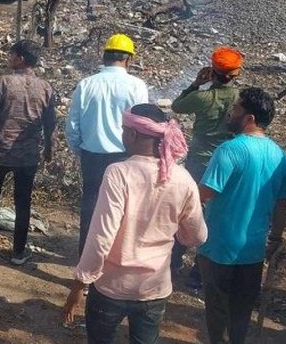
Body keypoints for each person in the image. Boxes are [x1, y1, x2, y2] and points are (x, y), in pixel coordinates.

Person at [62, 104, 207, 343]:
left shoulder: (119, 173)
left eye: (123, 129)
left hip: (112, 287)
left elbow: (101, 236)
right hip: (154, 288)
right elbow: (197, 236)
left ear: (133, 134)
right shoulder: (183, 178)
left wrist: (80, 283)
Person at [197, 87, 286, 344]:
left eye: (236, 109)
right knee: (242, 309)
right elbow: (282, 203)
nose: (231, 113)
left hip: (219, 245)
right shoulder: (280, 155)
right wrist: (276, 238)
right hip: (254, 249)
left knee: (217, 308)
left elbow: (205, 193)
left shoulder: (229, 150)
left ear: (249, 118)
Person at [0, 40, 56, 266]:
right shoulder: (46, 88)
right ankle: (18, 253)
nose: (9, 58)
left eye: (12, 55)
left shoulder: (4, 83)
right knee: (23, 204)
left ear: (21, 58)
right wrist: (49, 149)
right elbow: (50, 124)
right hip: (28, 157)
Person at [65, 33, 149, 255]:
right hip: (124, 156)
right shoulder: (137, 86)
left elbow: (72, 124)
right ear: (128, 59)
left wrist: (80, 149)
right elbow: (141, 125)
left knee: (90, 205)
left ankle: (86, 255)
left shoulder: (86, 84)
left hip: (91, 154)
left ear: (104, 57)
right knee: (121, 207)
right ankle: (113, 256)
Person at [170, 46, 243, 284]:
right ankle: (200, 272)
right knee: (216, 215)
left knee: (186, 211)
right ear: (236, 74)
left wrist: (195, 84)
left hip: (199, 161)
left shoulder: (202, 98)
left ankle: (174, 261)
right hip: (228, 163)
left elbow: (177, 106)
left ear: (212, 71)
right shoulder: (240, 100)